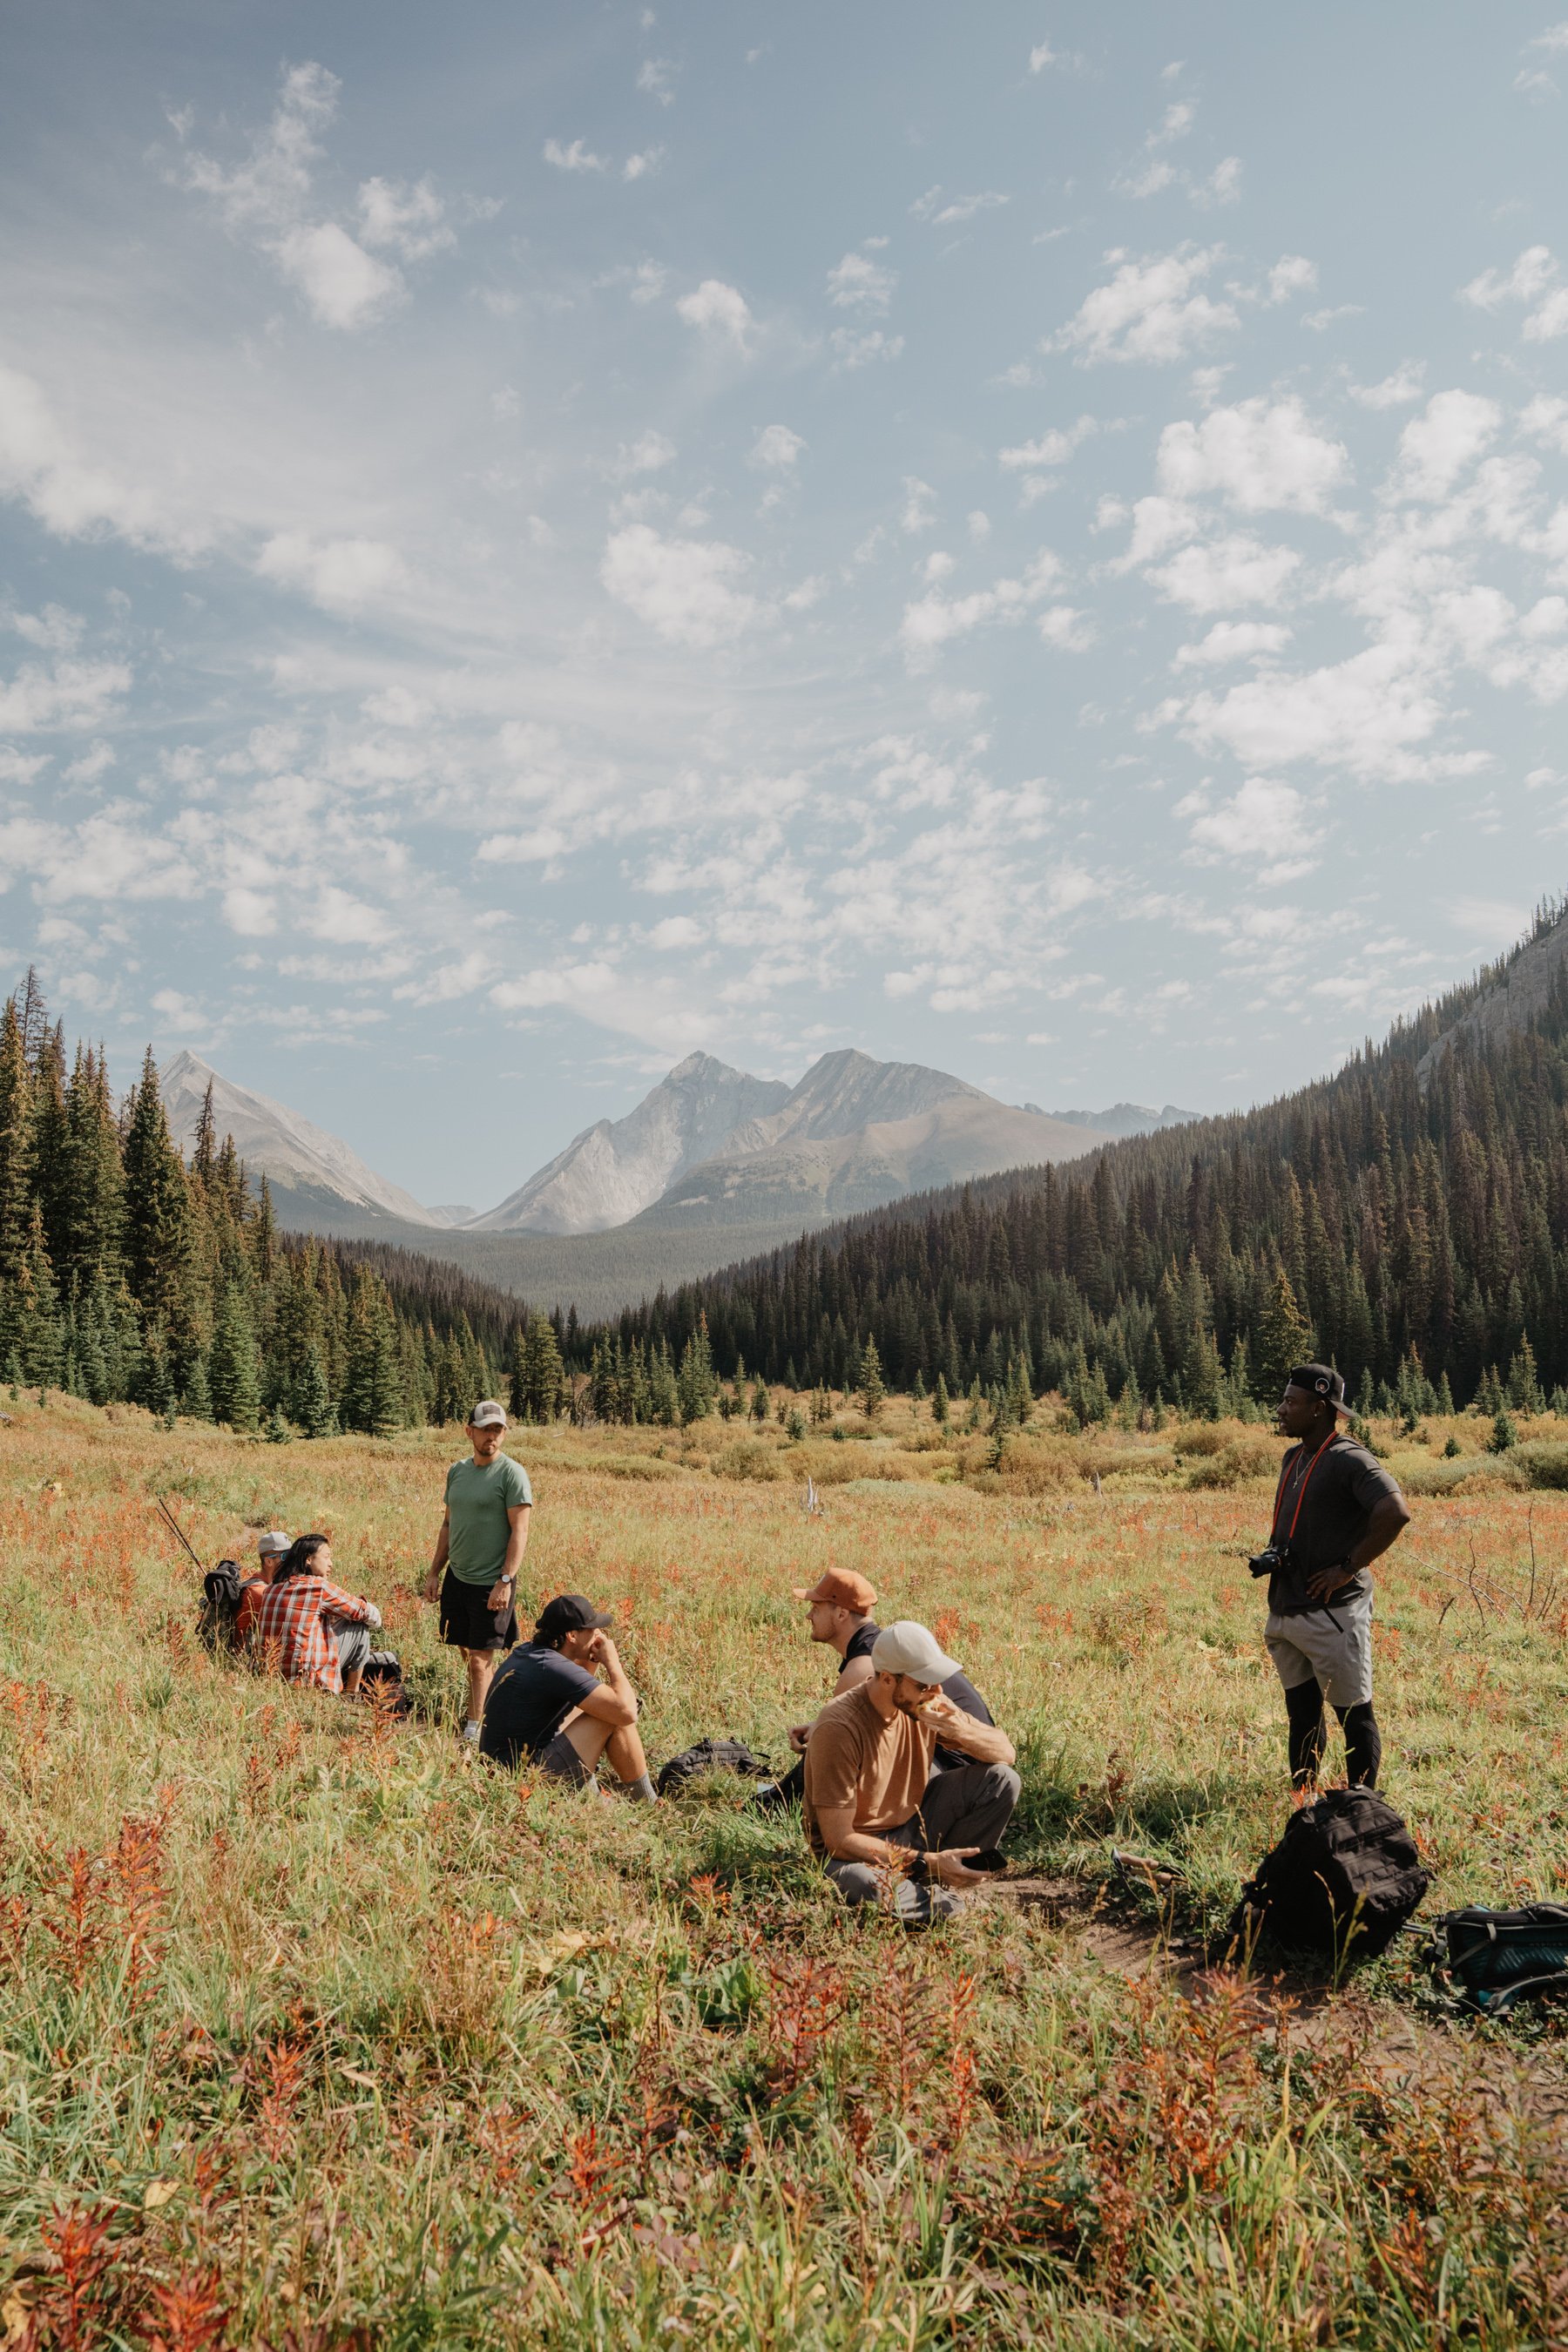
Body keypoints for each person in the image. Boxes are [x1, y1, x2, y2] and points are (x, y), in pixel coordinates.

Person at [802, 1619, 1020, 1921]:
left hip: (912, 1825)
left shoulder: (925, 1703)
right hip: (853, 1853)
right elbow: (839, 1840)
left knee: (1001, 1781)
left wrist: (960, 1730)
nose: (936, 1691)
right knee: (870, 1886)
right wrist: (926, 1861)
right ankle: (936, 1892)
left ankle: (945, 1877)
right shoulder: (840, 1726)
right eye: (923, 1684)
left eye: (937, 1681)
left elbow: (1006, 1755)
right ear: (888, 1679)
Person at [1262, 1363, 1412, 1792]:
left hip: (1332, 1615)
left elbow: (1395, 1512)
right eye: (1283, 1400)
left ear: (1320, 1408)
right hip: (1288, 1608)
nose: (1281, 1409)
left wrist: (1347, 1567)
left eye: (1291, 1402)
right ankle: (1303, 1804)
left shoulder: (1350, 1459)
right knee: (1303, 1714)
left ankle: (1362, 1807)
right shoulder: (1295, 1456)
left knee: (1354, 1716)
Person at [770, 1570, 997, 1805]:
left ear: (841, 1613)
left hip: (958, 1776)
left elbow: (840, 1744)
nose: (808, 1615)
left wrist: (775, 1798)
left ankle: (776, 1807)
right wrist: (816, 1727)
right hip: (970, 1768)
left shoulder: (862, 1667)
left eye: (816, 1608)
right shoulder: (886, 1650)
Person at [423, 1400, 532, 1744]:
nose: (492, 1436)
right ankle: (490, 1707)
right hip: (459, 1578)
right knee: (468, 1653)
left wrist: (505, 1580)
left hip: (492, 1583)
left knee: (479, 1660)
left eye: (498, 1430)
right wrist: (434, 1572)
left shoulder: (512, 1474)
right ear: (469, 1430)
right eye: (486, 1429)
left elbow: (520, 1531)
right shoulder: (457, 1471)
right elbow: (447, 1523)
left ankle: (475, 1730)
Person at [480, 1593, 657, 1799]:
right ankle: (647, 1802)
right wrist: (612, 1662)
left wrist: (593, 1657)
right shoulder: (552, 1667)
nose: (598, 1633)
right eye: (592, 1628)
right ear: (572, 1636)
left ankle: (594, 1799)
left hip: (504, 1772)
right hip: (523, 1780)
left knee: (603, 1706)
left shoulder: (535, 1654)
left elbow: (582, 1692)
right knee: (615, 1716)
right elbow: (626, 1713)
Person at [257, 1534, 382, 1696]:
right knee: (359, 1624)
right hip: (307, 1680)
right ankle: (352, 1694)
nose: (331, 1564)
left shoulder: (270, 1589)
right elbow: (367, 1613)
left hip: (269, 1676)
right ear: (308, 1560)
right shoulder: (318, 1587)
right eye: (326, 1557)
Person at [235, 1529, 290, 1646]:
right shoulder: (260, 1592)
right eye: (286, 1556)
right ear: (269, 1561)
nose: (291, 1561)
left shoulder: (258, 1580)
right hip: (245, 1658)